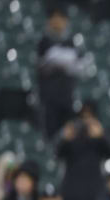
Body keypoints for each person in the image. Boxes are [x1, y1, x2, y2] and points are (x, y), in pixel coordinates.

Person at [57, 100, 110, 200]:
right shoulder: (72, 136)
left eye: (89, 117)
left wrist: (101, 136)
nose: (86, 122)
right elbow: (58, 154)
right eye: (83, 117)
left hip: (93, 190)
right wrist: (65, 139)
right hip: (71, 189)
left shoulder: (98, 137)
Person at [37, 5, 82, 140]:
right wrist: (65, 59)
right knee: (49, 136)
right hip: (49, 99)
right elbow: (50, 58)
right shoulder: (44, 41)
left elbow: (79, 64)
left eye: (61, 18)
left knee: (69, 135)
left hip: (67, 97)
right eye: (54, 18)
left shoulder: (71, 42)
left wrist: (60, 59)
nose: (58, 21)